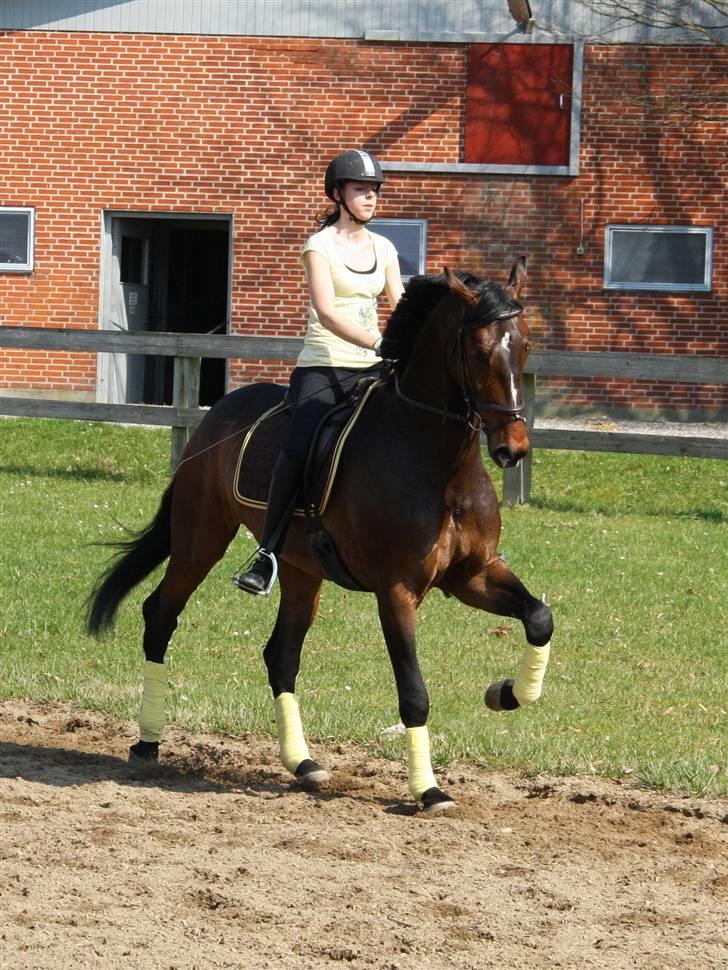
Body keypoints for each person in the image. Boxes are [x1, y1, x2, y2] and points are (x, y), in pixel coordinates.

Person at [234, 149, 404, 595]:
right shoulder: (319, 245)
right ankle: (268, 553)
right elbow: (327, 312)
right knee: (299, 445)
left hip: (373, 369)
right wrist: (378, 342)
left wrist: (410, 342)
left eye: (374, 190)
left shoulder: (384, 248)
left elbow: (398, 304)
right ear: (338, 194)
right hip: (324, 365)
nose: (371, 197)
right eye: (361, 190)